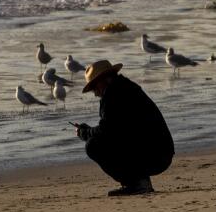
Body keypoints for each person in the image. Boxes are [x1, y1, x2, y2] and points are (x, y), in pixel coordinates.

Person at [74, 60, 174, 196]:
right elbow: (112, 128)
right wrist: (89, 131)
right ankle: (139, 182)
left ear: (104, 80)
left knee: (93, 146)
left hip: (155, 155)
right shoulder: (124, 87)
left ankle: (137, 183)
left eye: (94, 87)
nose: (95, 93)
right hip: (160, 151)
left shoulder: (113, 94)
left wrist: (85, 133)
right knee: (100, 140)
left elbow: (106, 131)